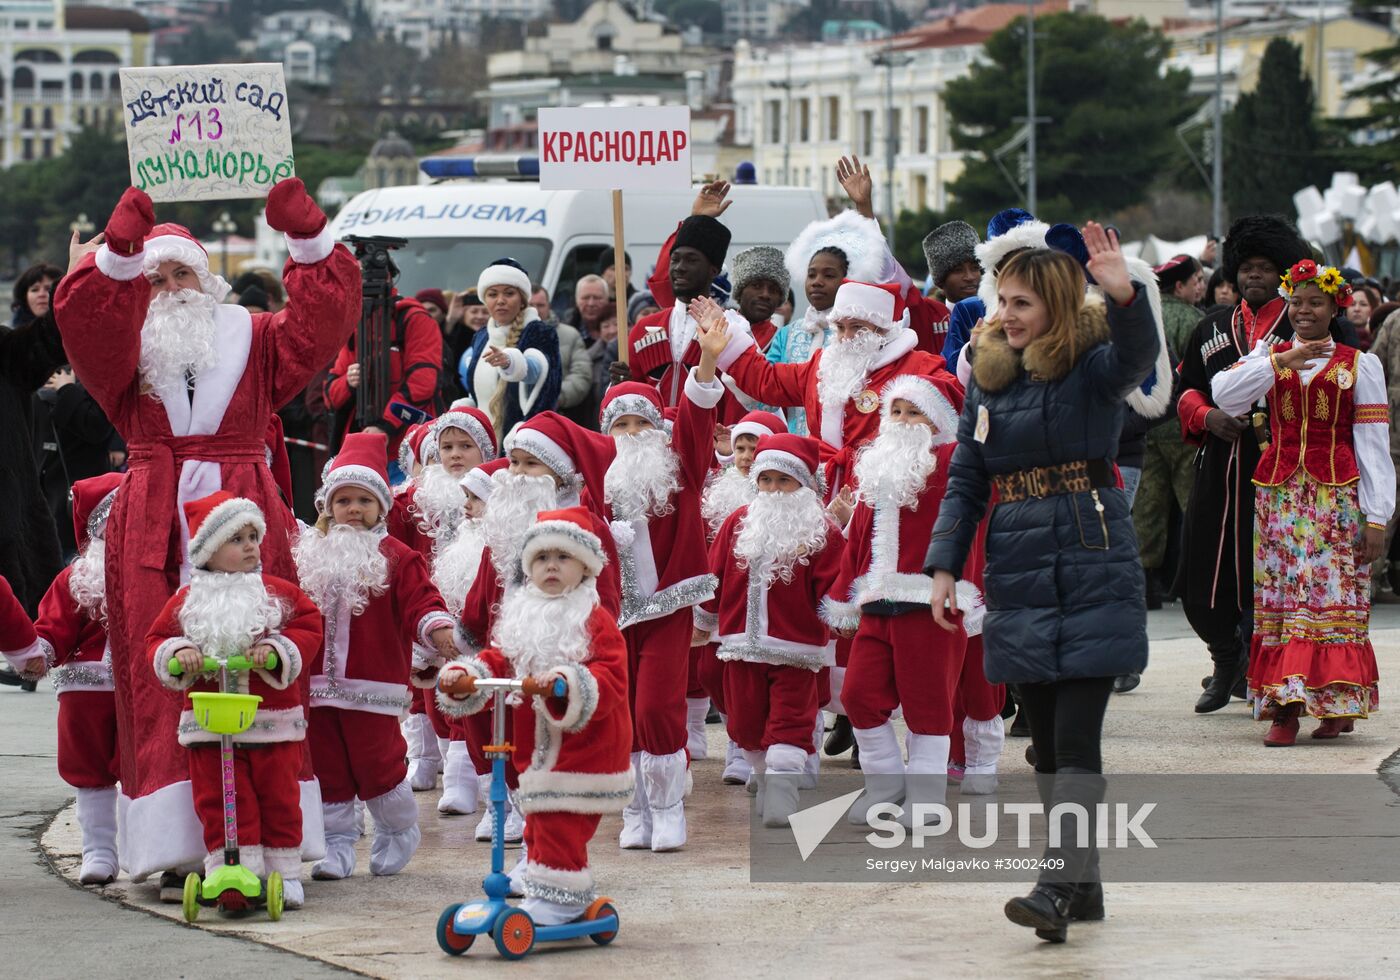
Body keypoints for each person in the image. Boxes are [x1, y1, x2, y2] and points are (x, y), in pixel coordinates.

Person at [52, 180, 359, 890]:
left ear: (207, 279)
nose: (167, 286)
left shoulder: (252, 335)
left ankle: (276, 838)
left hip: (245, 505)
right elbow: (85, 323)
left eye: (179, 272)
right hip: (154, 524)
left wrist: (307, 234)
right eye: (153, 277)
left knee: (263, 661)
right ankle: (177, 845)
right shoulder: (124, 349)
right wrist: (120, 249)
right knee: (164, 677)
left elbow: (323, 324)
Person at [925, 226, 1160, 944]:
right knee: (1047, 751)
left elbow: (1137, 358)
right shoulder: (989, 378)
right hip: (1019, 566)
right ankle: (1083, 887)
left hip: (1092, 557)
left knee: (1077, 740)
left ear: (1055, 304)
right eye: (1003, 301)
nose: (1005, 314)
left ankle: (1054, 885)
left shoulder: (1093, 365)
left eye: (1021, 302)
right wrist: (942, 568)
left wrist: (1123, 294)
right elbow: (966, 479)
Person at [1210, 261, 1393, 745]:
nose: (1304, 311)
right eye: (1296, 302)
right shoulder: (1269, 355)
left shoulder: (1359, 365)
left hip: (1336, 500)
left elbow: (1373, 442)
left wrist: (1377, 517)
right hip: (1281, 501)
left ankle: (1334, 701)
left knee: (1329, 600)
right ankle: (1286, 709)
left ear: (1335, 307)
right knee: (1287, 600)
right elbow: (1224, 396)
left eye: (1315, 302)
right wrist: (1278, 362)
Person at [437, 506, 632, 926]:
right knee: (537, 822)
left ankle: (560, 898)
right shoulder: (523, 614)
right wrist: (468, 674)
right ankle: (557, 893)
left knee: (561, 824)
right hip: (535, 750)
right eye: (542, 559)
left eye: (562, 558)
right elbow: (499, 656)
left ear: (585, 567)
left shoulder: (594, 619)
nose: (551, 567)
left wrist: (564, 683)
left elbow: (610, 675)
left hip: (584, 750)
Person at [822, 377, 988, 824]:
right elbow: (858, 540)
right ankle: (886, 786)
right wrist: (843, 597)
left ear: (938, 420)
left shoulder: (956, 460)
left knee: (928, 702)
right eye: (895, 411)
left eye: (914, 412)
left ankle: (927, 797)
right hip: (877, 601)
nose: (902, 421)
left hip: (932, 601)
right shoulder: (876, 468)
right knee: (858, 694)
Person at [148, 491, 323, 910]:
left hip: (272, 723)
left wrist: (278, 648)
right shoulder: (187, 601)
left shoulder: (277, 593)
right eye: (236, 539)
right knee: (221, 799)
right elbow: (156, 639)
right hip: (209, 722)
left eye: (252, 536)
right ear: (208, 551)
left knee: (278, 796)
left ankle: (283, 872)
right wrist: (178, 654)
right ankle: (233, 869)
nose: (249, 546)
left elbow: (309, 624)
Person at [293, 433, 458, 878]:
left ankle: (397, 826)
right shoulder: (309, 554)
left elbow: (421, 601)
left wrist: (438, 628)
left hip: (373, 686)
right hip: (317, 688)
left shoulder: (397, 557)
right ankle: (337, 844)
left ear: (381, 508)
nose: (352, 509)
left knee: (377, 762)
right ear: (327, 506)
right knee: (327, 765)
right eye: (342, 500)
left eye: (364, 500)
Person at [1175, 214, 1308, 714]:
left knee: (1265, 570)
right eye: (1246, 267)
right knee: (1202, 568)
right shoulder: (1210, 325)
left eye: (1264, 267)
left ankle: (1259, 667)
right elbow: (1184, 389)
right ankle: (1224, 658)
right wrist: (1207, 416)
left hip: (1280, 464)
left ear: (1283, 272)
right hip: (1219, 464)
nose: (1254, 275)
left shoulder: (1302, 323)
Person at [599, 335, 725, 852]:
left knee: (655, 706)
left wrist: (709, 359)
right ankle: (636, 808)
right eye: (620, 425)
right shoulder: (599, 481)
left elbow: (696, 418)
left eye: (642, 423)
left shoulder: (682, 469)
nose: (632, 434)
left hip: (668, 607)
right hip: (614, 615)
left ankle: (669, 808)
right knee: (621, 710)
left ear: (660, 427)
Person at [694, 433, 844, 827]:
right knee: (745, 725)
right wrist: (705, 620)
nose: (774, 489)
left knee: (789, 723)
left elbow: (833, 584)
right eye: (766, 480)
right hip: (740, 646)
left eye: (784, 480)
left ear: (804, 485)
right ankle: (764, 776)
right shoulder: (737, 523)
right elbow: (716, 576)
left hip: (796, 651)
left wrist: (841, 618)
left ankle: (782, 792)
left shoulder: (820, 530)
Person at [706, 280, 962, 497]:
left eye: (857, 328)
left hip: (882, 490)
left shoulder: (917, 365)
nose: (846, 337)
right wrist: (726, 338)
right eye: (840, 327)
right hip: (821, 487)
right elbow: (766, 381)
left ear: (883, 329)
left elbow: (955, 405)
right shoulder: (823, 364)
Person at [10, 474, 124, 884]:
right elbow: (53, 628)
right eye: (115, 522)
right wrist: (37, 654)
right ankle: (98, 850)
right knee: (88, 772)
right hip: (85, 693)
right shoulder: (76, 580)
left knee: (142, 769)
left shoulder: (157, 574)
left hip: (139, 692)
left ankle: (140, 846)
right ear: (96, 529)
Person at [696, 409, 786, 786]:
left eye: (754, 447)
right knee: (713, 673)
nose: (746, 455)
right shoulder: (722, 489)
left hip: (772, 608)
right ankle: (739, 738)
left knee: (773, 689)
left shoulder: (786, 497)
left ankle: (776, 751)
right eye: (741, 447)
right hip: (728, 600)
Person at [620, 202, 752, 423]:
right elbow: (629, 403)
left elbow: (739, 400)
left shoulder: (732, 328)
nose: (679, 267)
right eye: (675, 259)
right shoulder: (643, 329)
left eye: (691, 260)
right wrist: (620, 384)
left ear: (714, 270)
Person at [430, 455, 504, 815]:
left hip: (500, 657)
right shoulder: (464, 544)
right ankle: (486, 799)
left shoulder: (500, 550)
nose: (467, 507)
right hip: (467, 649)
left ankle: (506, 804)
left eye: (475, 498)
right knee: (466, 718)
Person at [1133, 255, 1205, 610]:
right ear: (1180, 286)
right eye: (1197, 281)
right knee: (1192, 502)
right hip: (1184, 425)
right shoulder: (1193, 319)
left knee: (1147, 505)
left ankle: (1146, 583)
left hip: (1147, 423)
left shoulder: (1145, 313)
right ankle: (1194, 579)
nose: (1202, 288)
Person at [325, 289, 445, 459]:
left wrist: (384, 425)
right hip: (361, 444)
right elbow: (330, 395)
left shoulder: (412, 317)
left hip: (410, 444)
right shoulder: (355, 325)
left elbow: (423, 382)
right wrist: (348, 383)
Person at [458, 258, 561, 440]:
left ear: (522, 299)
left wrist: (511, 362)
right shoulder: (482, 336)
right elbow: (479, 390)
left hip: (521, 440)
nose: (500, 301)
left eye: (509, 293)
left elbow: (541, 373)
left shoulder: (539, 331)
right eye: (492, 294)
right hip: (483, 440)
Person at [922, 220, 982, 318]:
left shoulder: (998, 317)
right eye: (958, 270)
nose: (969, 277)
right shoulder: (927, 320)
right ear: (940, 280)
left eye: (975, 268)